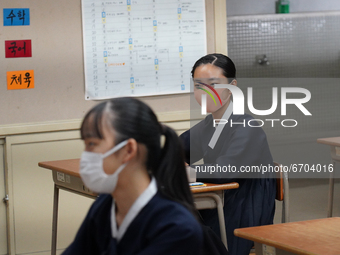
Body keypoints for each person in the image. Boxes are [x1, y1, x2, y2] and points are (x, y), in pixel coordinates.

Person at [62, 97, 204, 255]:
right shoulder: (105, 205)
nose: (85, 156)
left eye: (92, 144)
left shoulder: (177, 228)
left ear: (128, 150)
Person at [180, 53, 276, 255]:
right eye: (199, 86)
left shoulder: (247, 127)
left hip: (244, 209)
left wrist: (186, 171)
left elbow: (224, 172)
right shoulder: (209, 125)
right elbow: (175, 149)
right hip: (220, 203)